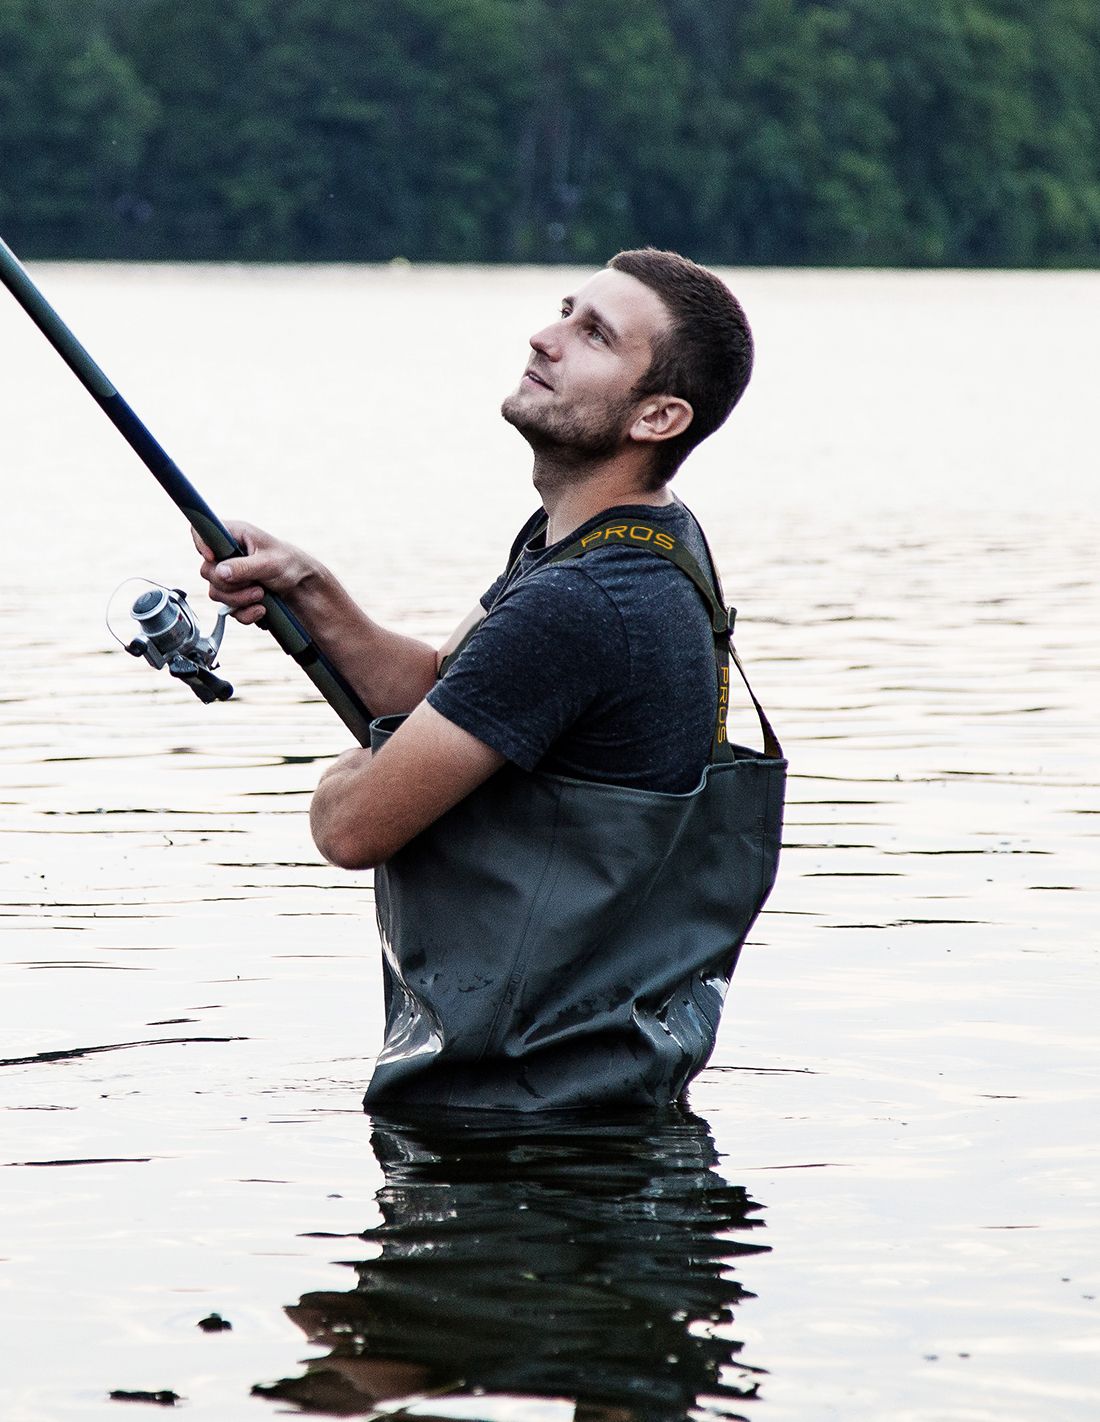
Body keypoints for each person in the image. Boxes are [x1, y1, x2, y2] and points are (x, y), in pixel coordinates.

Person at [196, 248, 785, 1114]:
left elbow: (353, 827)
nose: (545, 338)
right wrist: (308, 590)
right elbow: (454, 684)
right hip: (603, 1099)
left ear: (658, 416)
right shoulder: (635, 541)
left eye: (593, 334)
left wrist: (350, 778)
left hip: (518, 1125)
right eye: (563, 310)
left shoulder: (580, 605)